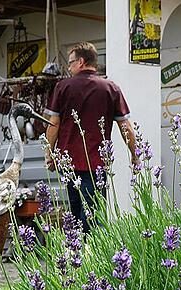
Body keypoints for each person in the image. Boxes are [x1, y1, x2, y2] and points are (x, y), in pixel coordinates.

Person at [44, 42, 138, 233]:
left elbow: (54, 124)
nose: (69, 68)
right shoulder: (111, 88)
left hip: (68, 163)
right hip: (97, 164)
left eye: (70, 63)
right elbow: (125, 126)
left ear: (81, 62)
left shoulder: (62, 87)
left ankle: (80, 255)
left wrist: (49, 153)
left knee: (76, 212)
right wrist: (135, 154)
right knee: (94, 214)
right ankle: (92, 256)